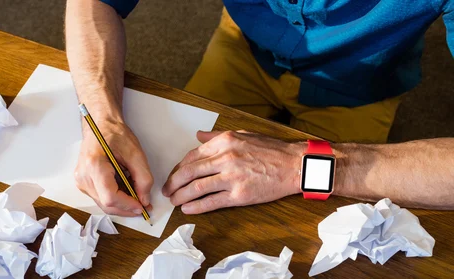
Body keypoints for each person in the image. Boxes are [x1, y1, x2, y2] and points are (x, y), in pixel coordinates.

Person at [65, 0, 454, 215]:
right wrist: (104, 119)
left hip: (363, 82)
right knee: (178, 179)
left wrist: (301, 166)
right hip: (245, 45)